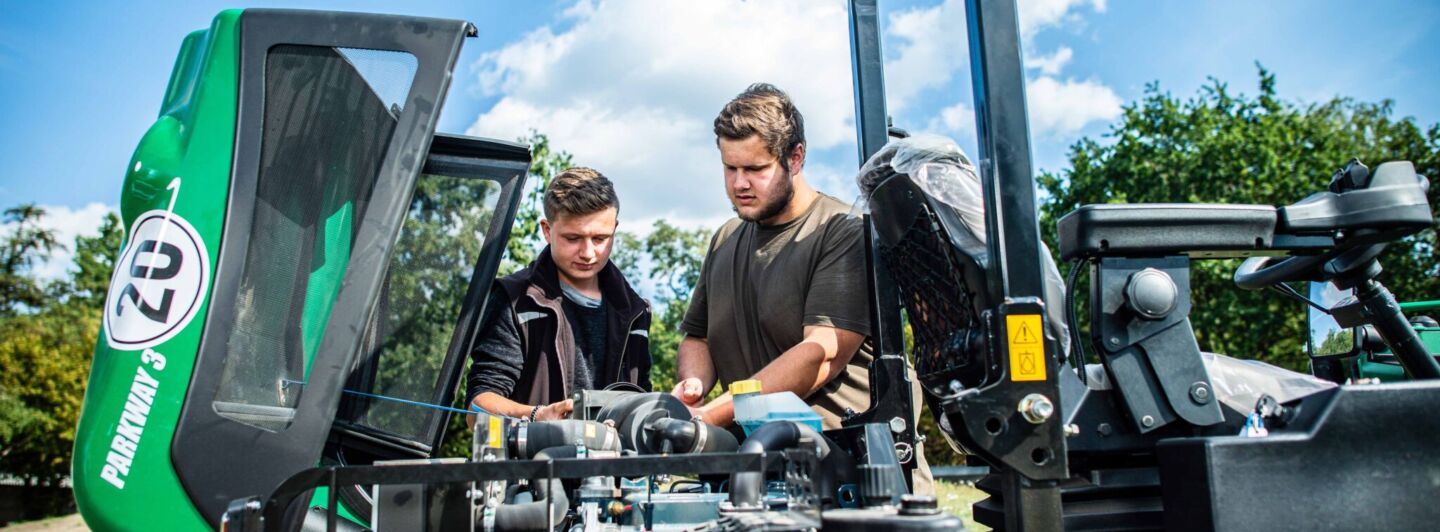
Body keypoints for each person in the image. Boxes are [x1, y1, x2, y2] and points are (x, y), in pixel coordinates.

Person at [671, 83, 874, 430]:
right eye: (730, 168)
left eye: (755, 169)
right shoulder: (725, 238)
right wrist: (693, 386)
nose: (739, 184)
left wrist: (711, 415)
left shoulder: (842, 231)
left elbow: (820, 352)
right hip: (750, 460)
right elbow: (698, 338)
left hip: (841, 461)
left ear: (795, 158)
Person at [466, 167, 652, 422]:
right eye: (573, 238)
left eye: (600, 238)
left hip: (614, 461)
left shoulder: (635, 311)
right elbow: (477, 408)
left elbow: (641, 397)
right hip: (536, 460)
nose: (588, 252)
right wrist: (536, 416)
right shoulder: (513, 300)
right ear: (546, 230)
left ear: (615, 228)